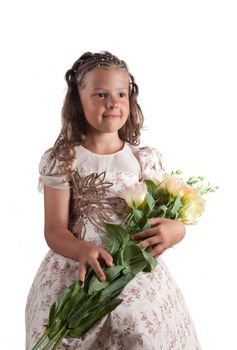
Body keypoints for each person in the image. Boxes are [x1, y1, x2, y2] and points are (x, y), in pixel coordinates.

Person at [25, 51, 201, 349]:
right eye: (100, 94)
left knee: (140, 331)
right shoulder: (64, 160)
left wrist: (177, 231)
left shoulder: (143, 160)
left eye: (121, 93)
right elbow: (54, 229)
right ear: (78, 102)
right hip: (77, 270)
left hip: (134, 273)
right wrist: (81, 248)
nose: (113, 102)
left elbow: (165, 216)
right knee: (70, 335)